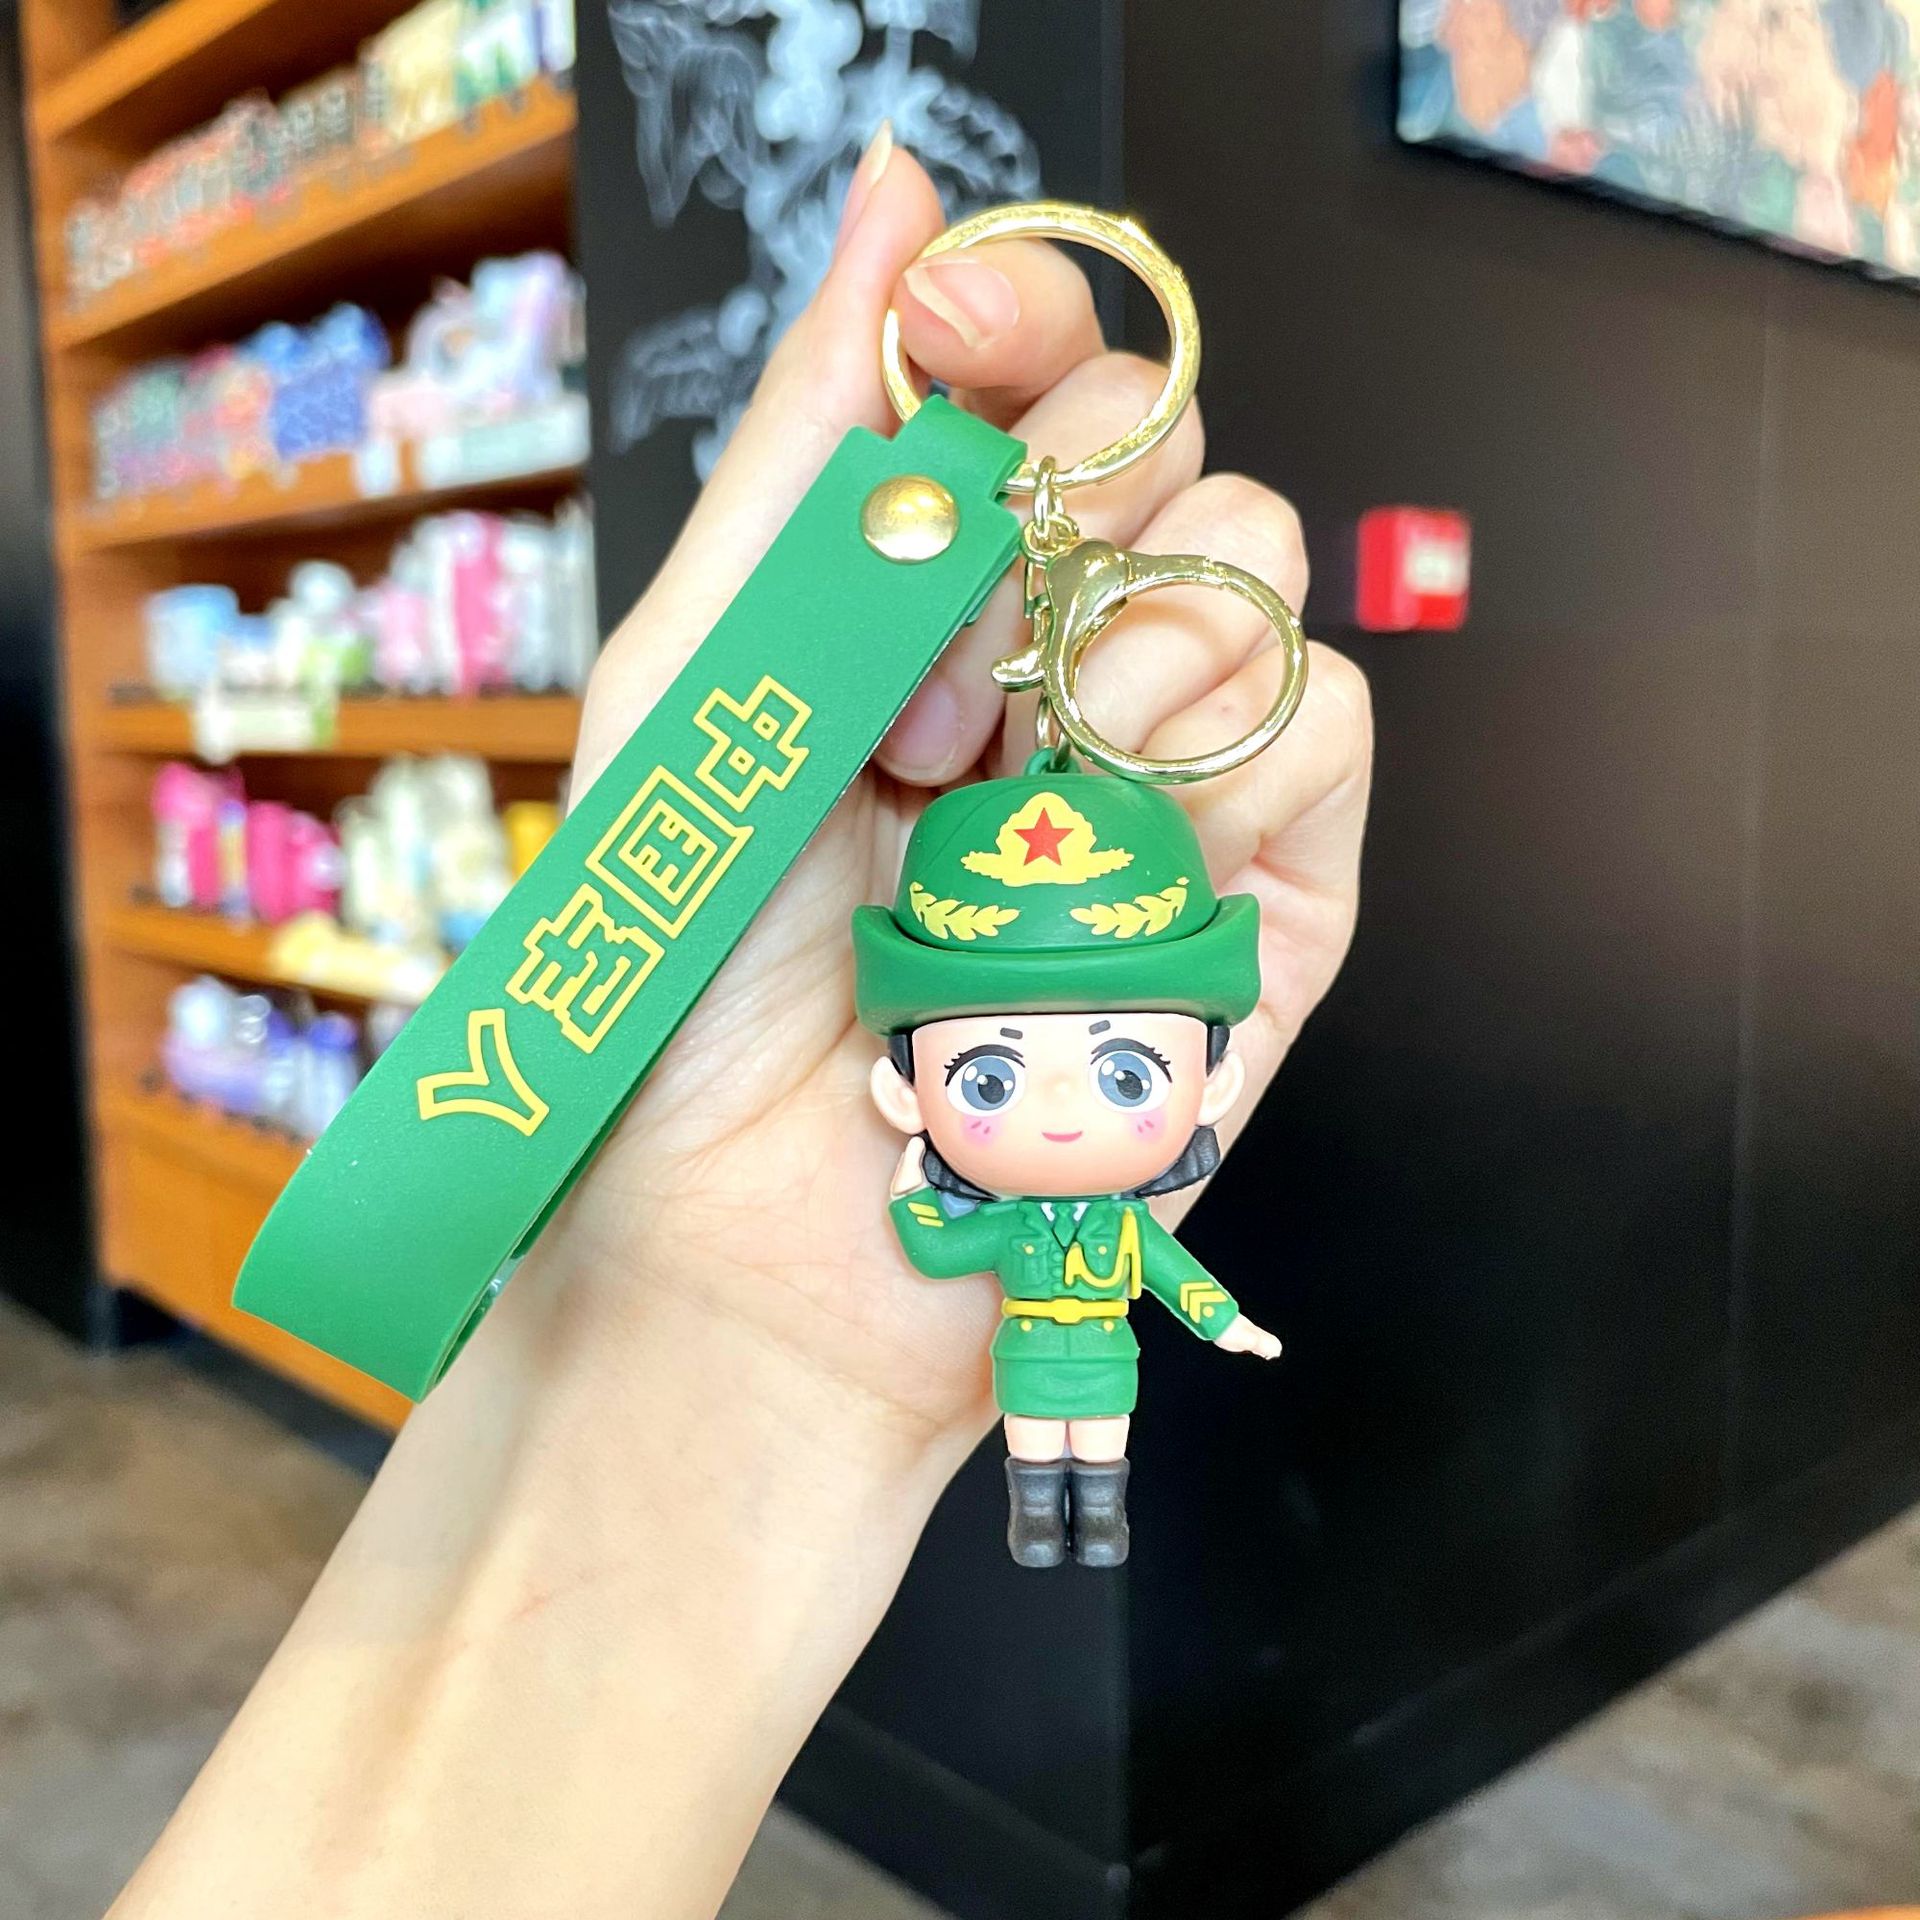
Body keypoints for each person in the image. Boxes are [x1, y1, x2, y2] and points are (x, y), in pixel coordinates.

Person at [110, 131, 1372, 1920]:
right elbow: (985, 1230)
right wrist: (704, 1331)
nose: (1057, 1110)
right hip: (993, 1334)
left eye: (1120, 1065)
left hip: (1038, 1367)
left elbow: (1120, 1263)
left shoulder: (1039, 1200)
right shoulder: (964, 1180)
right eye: (994, 1065)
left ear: (1201, 1076)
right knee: (1068, 1464)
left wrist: (751, 1368)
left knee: (1072, 1461)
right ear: (908, 1086)